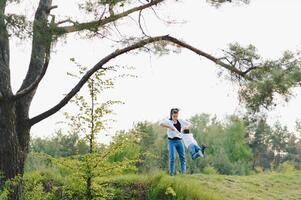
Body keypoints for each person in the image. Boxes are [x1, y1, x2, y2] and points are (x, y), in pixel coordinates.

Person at [159, 108, 191, 176]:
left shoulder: (180, 121)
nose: (175, 118)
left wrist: (186, 127)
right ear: (171, 115)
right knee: (172, 157)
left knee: (182, 157)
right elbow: (160, 123)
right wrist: (169, 127)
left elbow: (189, 124)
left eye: (176, 116)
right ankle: (171, 174)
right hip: (171, 141)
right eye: (174, 116)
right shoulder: (168, 121)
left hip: (179, 141)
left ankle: (183, 174)